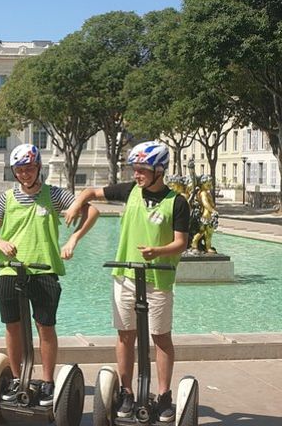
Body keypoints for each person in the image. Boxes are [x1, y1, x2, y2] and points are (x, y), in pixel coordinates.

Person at [64, 140, 190, 422]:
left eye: (142, 169)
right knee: (125, 335)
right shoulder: (130, 191)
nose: (137, 174)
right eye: (135, 169)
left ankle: (165, 395)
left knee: (160, 337)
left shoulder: (177, 203)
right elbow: (90, 192)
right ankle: (127, 393)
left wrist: (157, 251)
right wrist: (76, 206)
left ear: (160, 170)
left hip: (158, 278)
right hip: (125, 277)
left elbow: (181, 243)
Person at [0, 144, 98, 406]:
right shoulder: (6, 198)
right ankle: (15, 377)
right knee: (12, 326)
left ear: (38, 168)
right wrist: (0, 243)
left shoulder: (54, 195)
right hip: (11, 270)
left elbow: (92, 211)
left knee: (45, 326)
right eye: (20, 170)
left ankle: (47, 381)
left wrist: (73, 240)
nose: (24, 174)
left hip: (44, 270)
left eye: (29, 168)